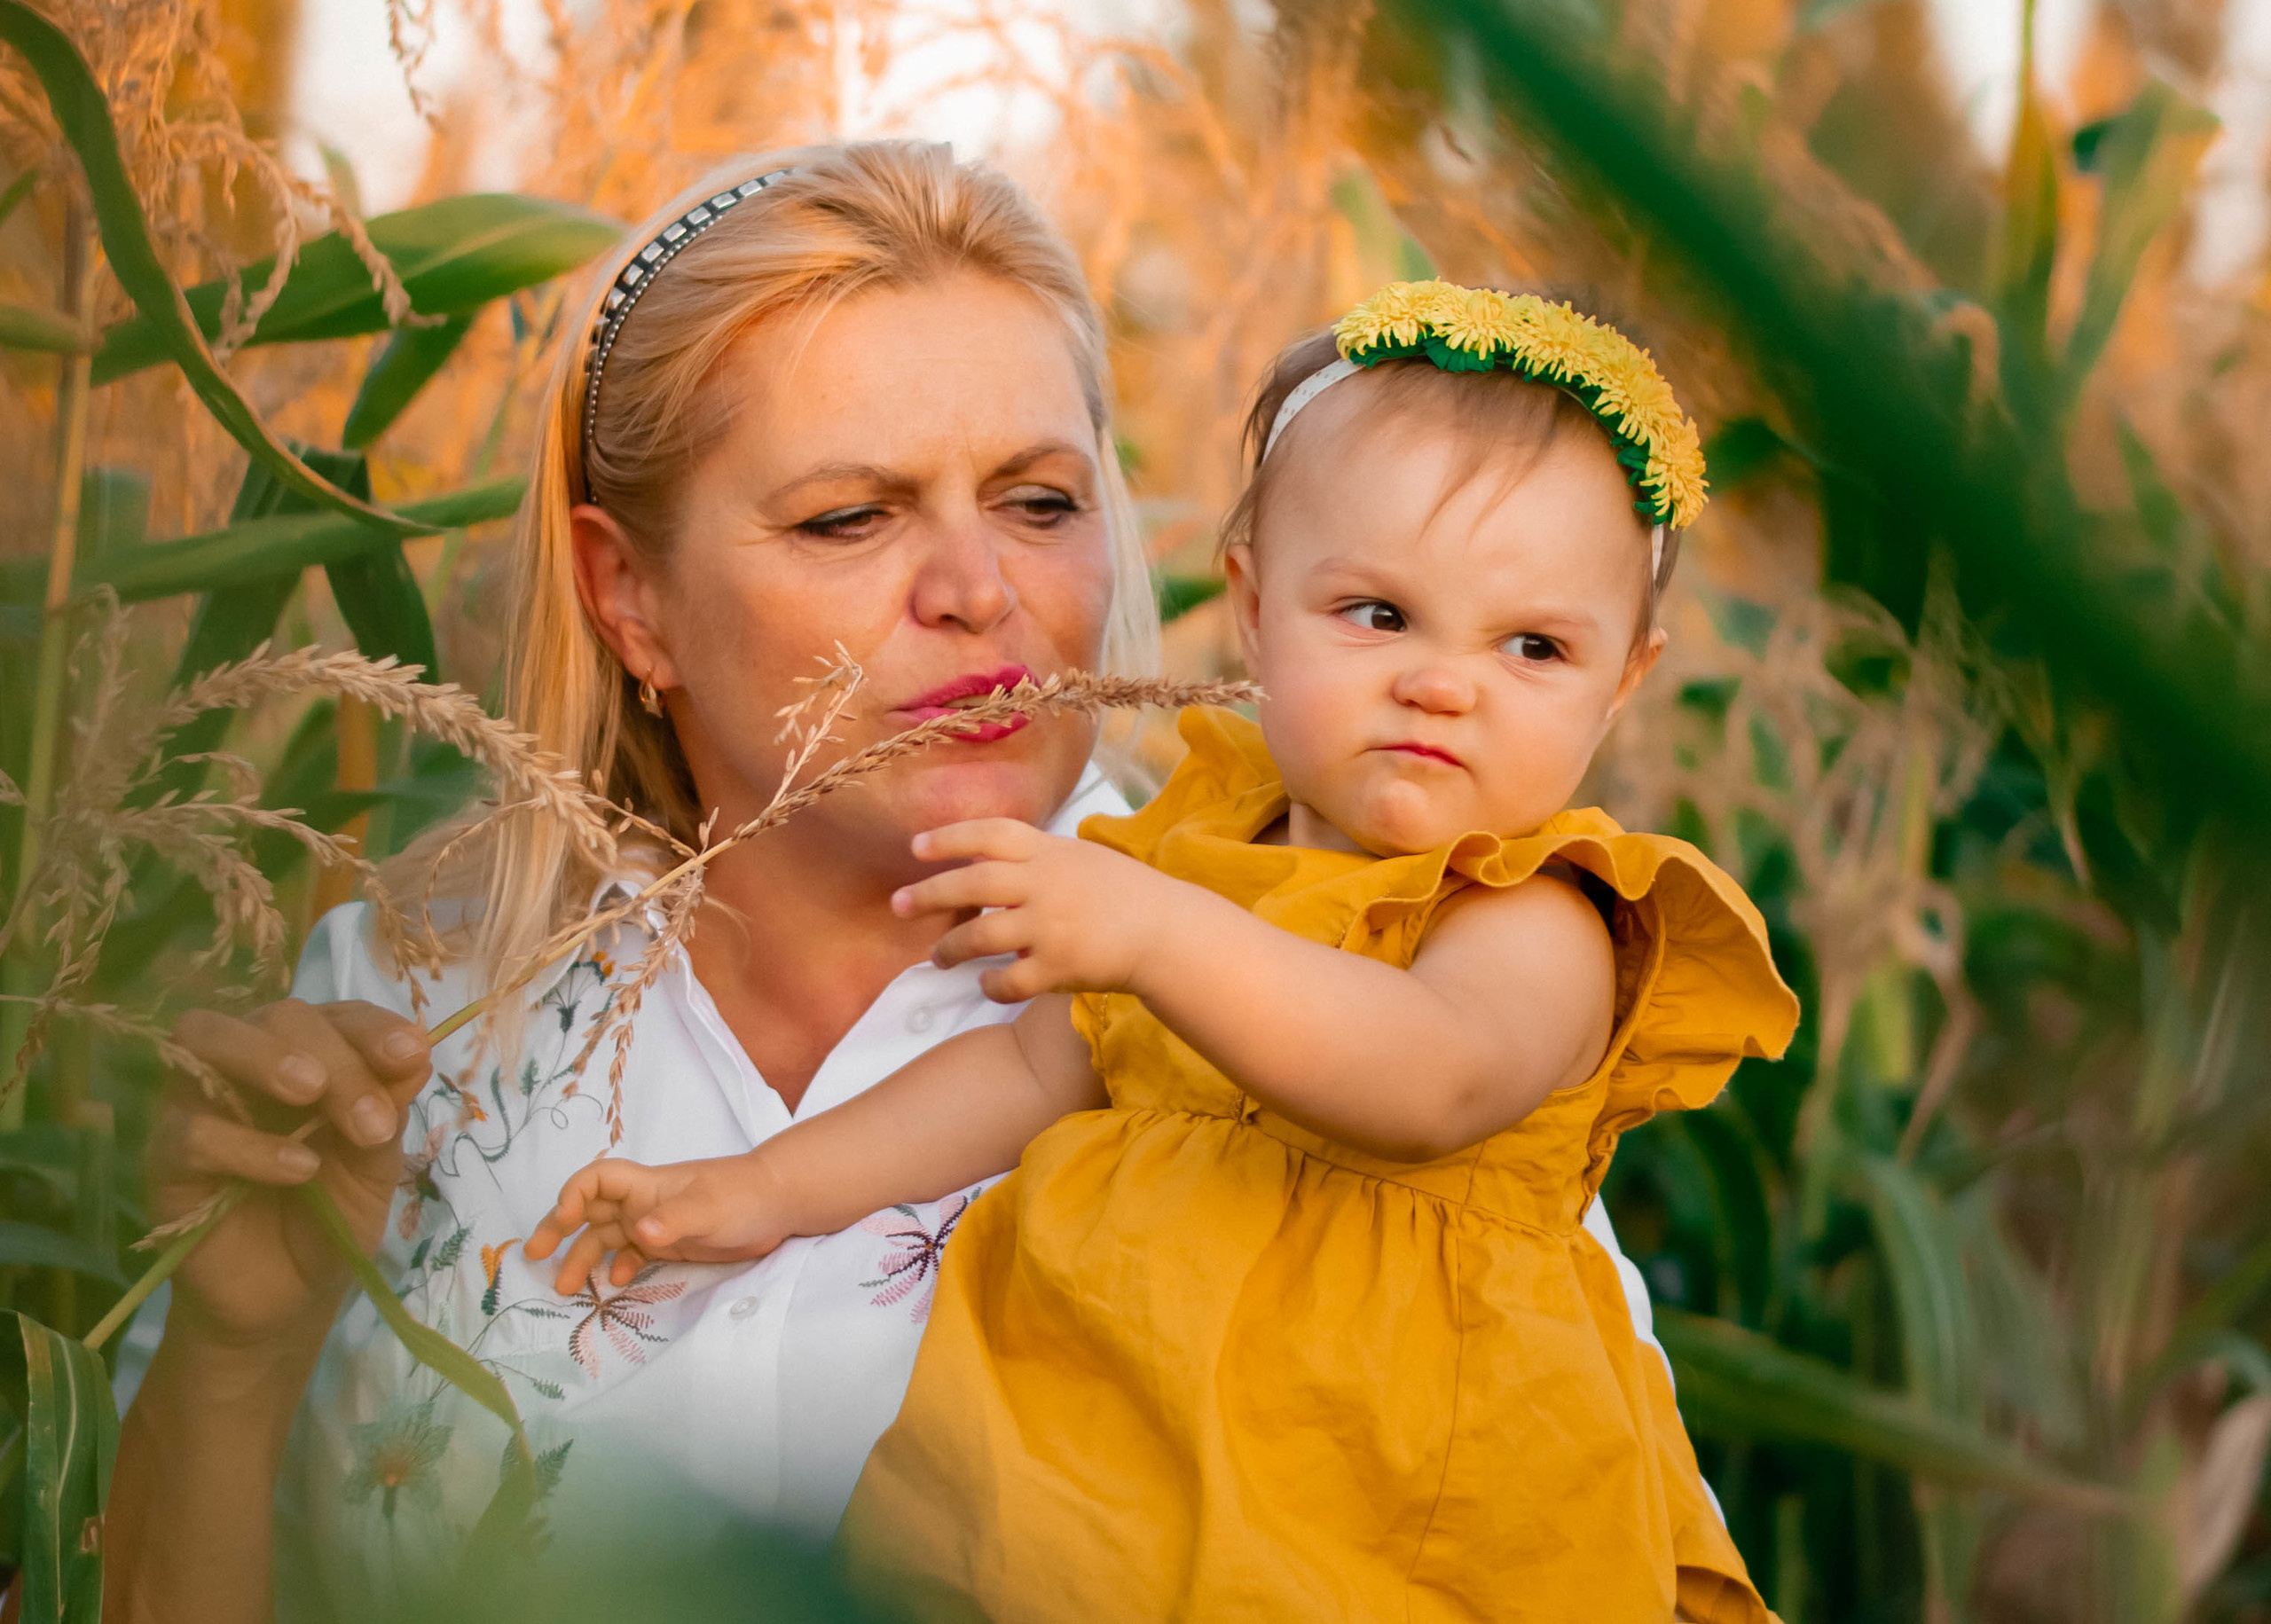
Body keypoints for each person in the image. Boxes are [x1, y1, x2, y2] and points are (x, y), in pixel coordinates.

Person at [103, 142, 1685, 1622]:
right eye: (851, 516)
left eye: (1041, 503)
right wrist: (234, 1361)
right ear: (627, 595)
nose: (978, 591)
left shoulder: (1332, 999)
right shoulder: (404, 1029)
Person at [530, 280, 1801, 1623]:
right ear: (1253, 608)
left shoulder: (1538, 914)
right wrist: (772, 1187)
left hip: (1406, 1500)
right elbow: (1028, 1070)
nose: (1443, 681)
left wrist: (1150, 930)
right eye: (1377, 614)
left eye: (1534, 645)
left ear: (1626, 680)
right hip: (1123, 1467)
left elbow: (1432, 1077)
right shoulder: (1200, 841)